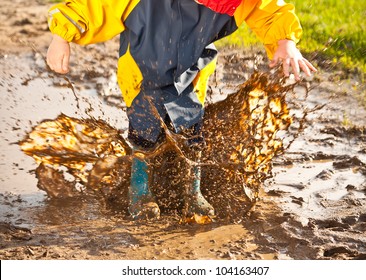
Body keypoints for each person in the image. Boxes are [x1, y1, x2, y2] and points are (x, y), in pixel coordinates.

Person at [46, 0, 317, 220]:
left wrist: (285, 41)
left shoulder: (233, 3)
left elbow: (269, 8)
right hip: (143, 69)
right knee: (145, 124)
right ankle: (139, 189)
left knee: (190, 122)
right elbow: (96, 6)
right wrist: (62, 34)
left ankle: (193, 191)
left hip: (191, 69)